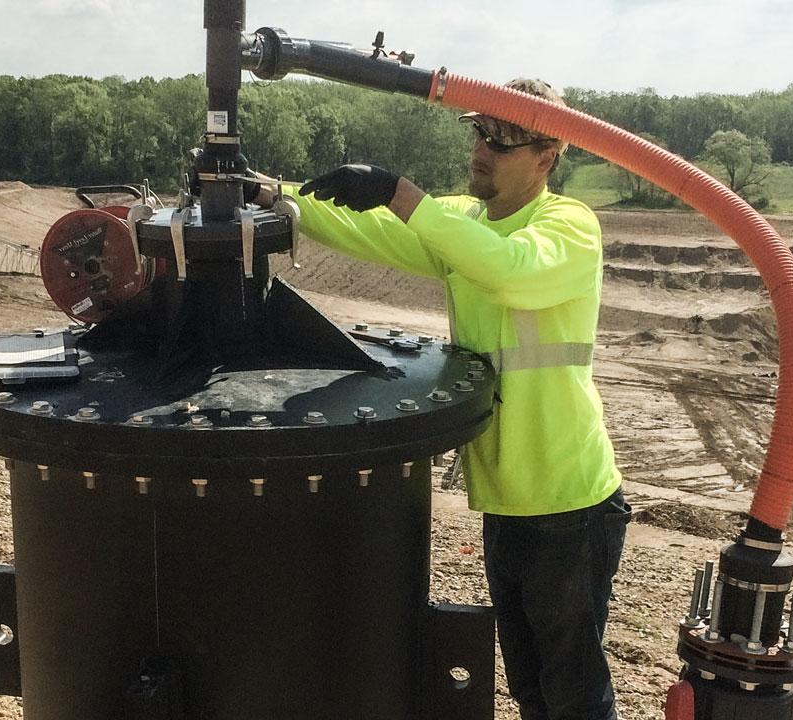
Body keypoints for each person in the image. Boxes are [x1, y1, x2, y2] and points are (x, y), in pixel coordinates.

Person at [255, 78, 630, 720]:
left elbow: (508, 269)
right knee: (531, 687)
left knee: (573, 689)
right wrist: (269, 193)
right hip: (506, 499)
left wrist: (402, 193)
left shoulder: (568, 226)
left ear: (548, 155)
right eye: (479, 131)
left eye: (503, 138)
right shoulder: (464, 222)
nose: (482, 148)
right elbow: (365, 229)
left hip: (569, 503)